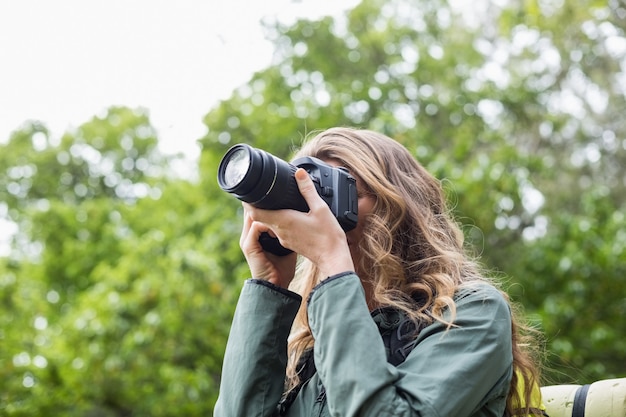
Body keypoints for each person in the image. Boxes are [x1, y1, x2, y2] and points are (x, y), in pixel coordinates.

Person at [214, 127, 543, 417]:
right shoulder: (316, 342)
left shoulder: (471, 312)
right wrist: (269, 285)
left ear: (400, 205)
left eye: (338, 192)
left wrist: (332, 260)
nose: (319, 215)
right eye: (307, 201)